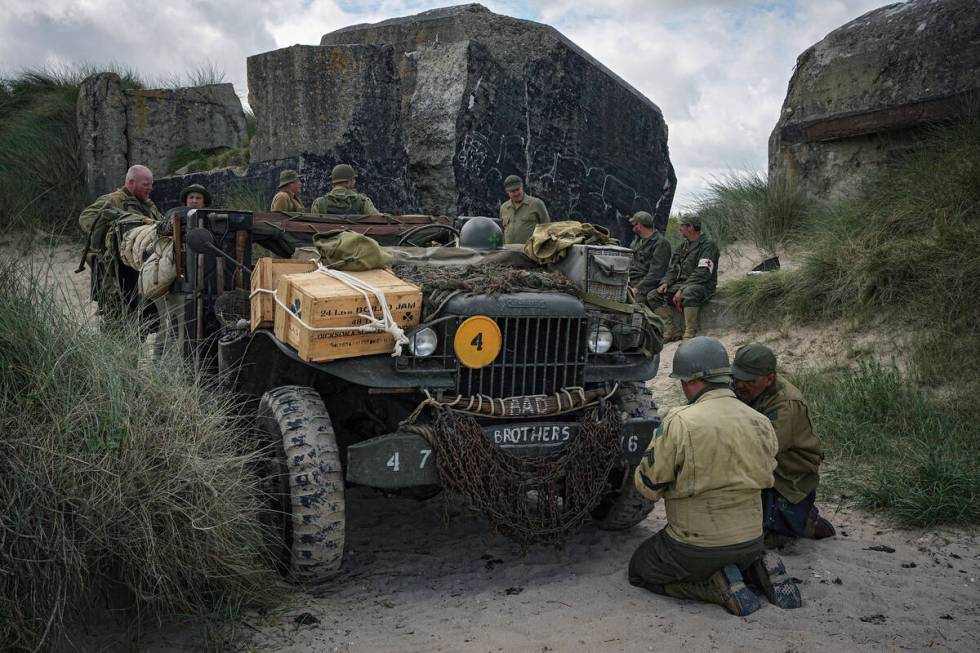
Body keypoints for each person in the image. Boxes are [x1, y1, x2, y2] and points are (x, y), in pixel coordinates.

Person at [629, 337, 801, 615]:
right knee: (737, 551)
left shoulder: (680, 421)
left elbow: (649, 486)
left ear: (690, 381)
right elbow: (768, 475)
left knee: (641, 569)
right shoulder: (761, 421)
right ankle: (756, 568)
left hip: (695, 545)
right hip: (752, 540)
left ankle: (712, 586)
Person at [732, 343, 836, 542]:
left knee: (762, 540)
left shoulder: (785, 405)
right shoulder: (746, 386)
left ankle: (806, 523)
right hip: (766, 468)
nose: (739, 385)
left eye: (748, 381)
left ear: (769, 378)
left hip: (787, 478)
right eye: (737, 378)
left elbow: (761, 449)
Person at [650, 215, 719, 341]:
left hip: (703, 285)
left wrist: (682, 288)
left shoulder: (708, 246)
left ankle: (690, 333)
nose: (679, 228)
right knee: (654, 295)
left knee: (689, 292)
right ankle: (671, 330)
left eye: (682, 225)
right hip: (682, 285)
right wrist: (665, 282)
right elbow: (673, 269)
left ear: (691, 227)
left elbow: (703, 272)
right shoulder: (683, 246)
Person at [78, 164, 164, 236]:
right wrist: (114, 231)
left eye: (151, 184)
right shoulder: (113, 200)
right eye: (145, 185)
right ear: (131, 183)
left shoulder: (148, 204)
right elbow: (86, 217)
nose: (150, 188)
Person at [627, 211, 672, 306]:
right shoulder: (636, 241)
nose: (632, 227)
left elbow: (656, 274)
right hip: (630, 281)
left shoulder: (661, 243)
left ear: (639, 225)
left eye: (634, 224)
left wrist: (637, 289)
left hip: (645, 287)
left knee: (632, 307)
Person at [499, 174, 550, 245]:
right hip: (509, 252)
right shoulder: (503, 208)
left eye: (517, 189)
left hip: (530, 252)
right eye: (512, 191)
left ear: (522, 187)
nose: (516, 193)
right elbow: (502, 231)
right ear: (507, 192)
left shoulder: (537, 204)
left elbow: (547, 228)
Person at [311, 164, 380, 215]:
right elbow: (378, 219)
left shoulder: (319, 203)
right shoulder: (363, 201)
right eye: (353, 179)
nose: (355, 182)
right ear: (348, 182)